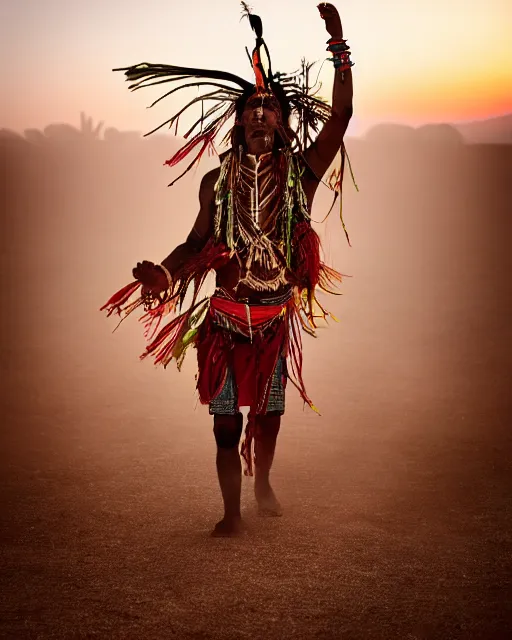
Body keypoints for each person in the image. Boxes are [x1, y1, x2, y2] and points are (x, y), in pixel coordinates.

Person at [101, 2, 354, 536]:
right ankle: (232, 514)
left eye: (269, 107)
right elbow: (195, 242)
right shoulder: (215, 182)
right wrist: (164, 277)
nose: (258, 113)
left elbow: (341, 117)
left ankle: (262, 482)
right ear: (238, 121)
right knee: (223, 424)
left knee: (269, 418)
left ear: (284, 121)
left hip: (272, 320)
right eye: (250, 108)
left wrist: (338, 46)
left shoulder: (300, 177)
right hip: (223, 321)